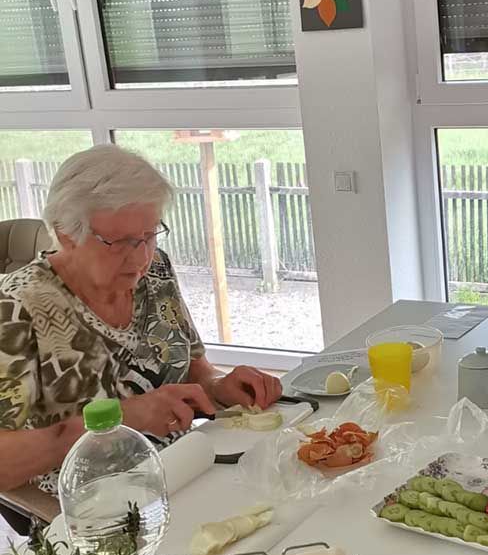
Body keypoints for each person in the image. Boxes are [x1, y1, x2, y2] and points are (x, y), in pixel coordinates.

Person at [0, 145, 282, 494]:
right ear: (66, 233)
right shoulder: (17, 305)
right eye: (119, 242)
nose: (141, 256)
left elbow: (196, 371)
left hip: (186, 467)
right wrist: (120, 419)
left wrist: (219, 387)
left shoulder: (155, 271)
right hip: (92, 506)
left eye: (149, 235)